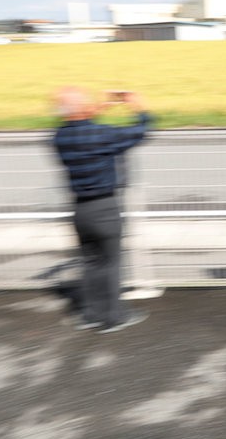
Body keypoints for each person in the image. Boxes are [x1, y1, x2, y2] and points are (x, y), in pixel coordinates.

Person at [53, 86, 153, 333]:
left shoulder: (59, 137)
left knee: (90, 263)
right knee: (110, 263)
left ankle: (90, 314)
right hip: (105, 208)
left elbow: (78, 125)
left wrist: (95, 108)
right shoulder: (103, 134)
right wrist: (136, 104)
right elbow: (142, 130)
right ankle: (113, 318)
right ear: (85, 109)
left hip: (80, 211)